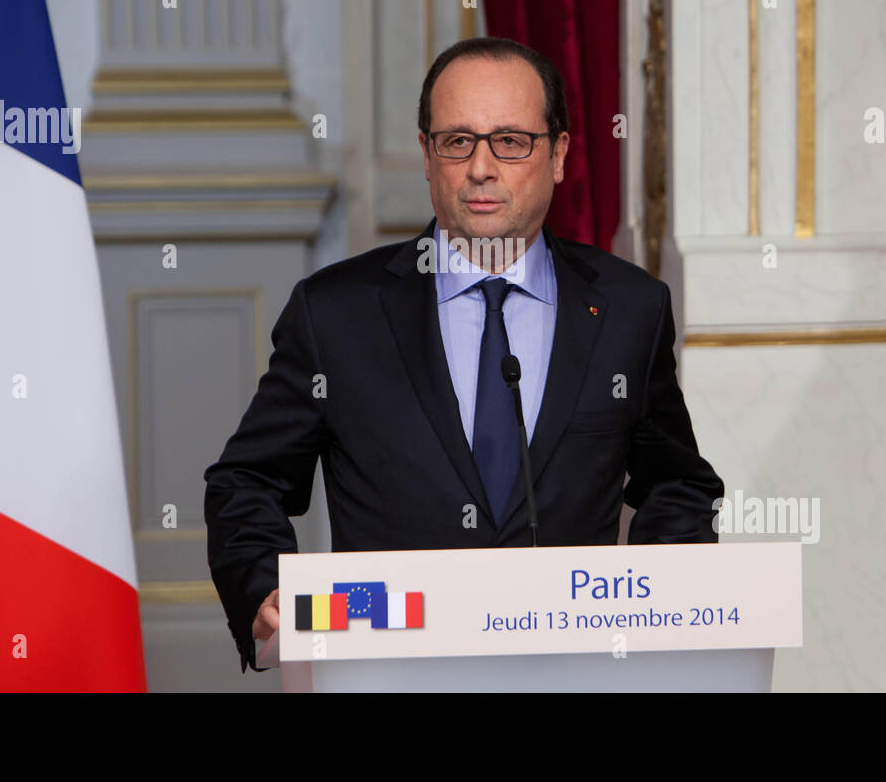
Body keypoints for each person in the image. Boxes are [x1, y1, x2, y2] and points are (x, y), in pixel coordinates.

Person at [203, 37, 724, 672]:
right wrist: (264, 586)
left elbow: (677, 482)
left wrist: (652, 607)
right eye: (457, 141)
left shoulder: (628, 308)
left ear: (558, 155)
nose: (481, 167)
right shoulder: (336, 314)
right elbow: (246, 481)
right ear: (427, 155)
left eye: (510, 141)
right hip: (388, 668)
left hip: (574, 671)